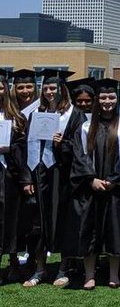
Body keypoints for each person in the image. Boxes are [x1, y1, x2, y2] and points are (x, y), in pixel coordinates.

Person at [69, 78, 120, 289]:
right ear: (97, 100)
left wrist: (114, 180)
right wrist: (90, 179)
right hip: (91, 187)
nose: (107, 101)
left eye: (111, 97)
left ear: (117, 99)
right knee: (89, 229)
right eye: (103, 97)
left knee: (115, 229)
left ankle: (114, 274)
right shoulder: (84, 128)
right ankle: (89, 275)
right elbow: (79, 156)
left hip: (116, 189)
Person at [22, 70, 81, 287]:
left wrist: (61, 144)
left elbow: (80, 147)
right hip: (39, 174)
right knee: (37, 222)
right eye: (45, 88)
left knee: (64, 221)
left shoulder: (74, 115)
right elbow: (28, 145)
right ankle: (39, 269)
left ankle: (63, 269)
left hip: (62, 176)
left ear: (62, 89)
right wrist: (27, 178)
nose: (49, 91)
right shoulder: (35, 113)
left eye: (53, 88)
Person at [0, 70, 30, 285]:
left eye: (1, 86)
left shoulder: (15, 117)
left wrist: (9, 149)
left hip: (9, 174)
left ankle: (12, 262)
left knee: (12, 219)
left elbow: (22, 148)